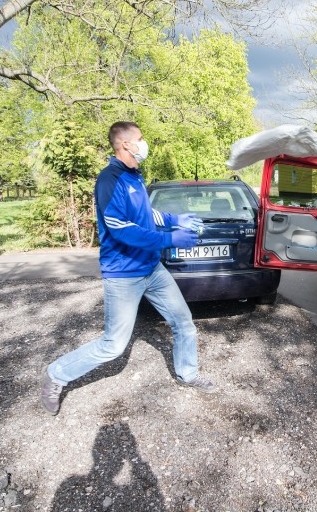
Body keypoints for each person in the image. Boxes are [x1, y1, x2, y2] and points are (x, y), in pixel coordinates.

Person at [41, 121, 216, 415]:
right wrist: (170, 238)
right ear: (125, 144)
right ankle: (56, 374)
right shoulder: (110, 180)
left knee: (183, 322)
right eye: (140, 139)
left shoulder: (135, 177)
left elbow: (147, 214)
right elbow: (121, 228)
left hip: (151, 268)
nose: (144, 143)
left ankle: (188, 373)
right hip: (123, 274)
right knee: (113, 345)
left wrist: (176, 220)